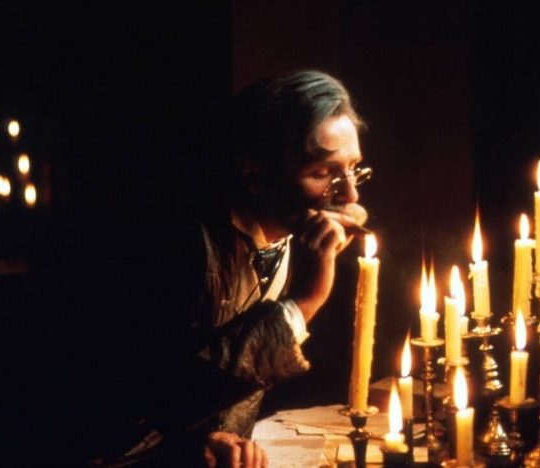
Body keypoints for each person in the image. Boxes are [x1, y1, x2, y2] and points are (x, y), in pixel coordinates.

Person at [91, 70, 371, 467]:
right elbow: (138, 400)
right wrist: (306, 300)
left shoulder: (295, 235)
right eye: (323, 174)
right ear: (254, 175)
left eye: (354, 169)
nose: (351, 194)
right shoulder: (182, 246)